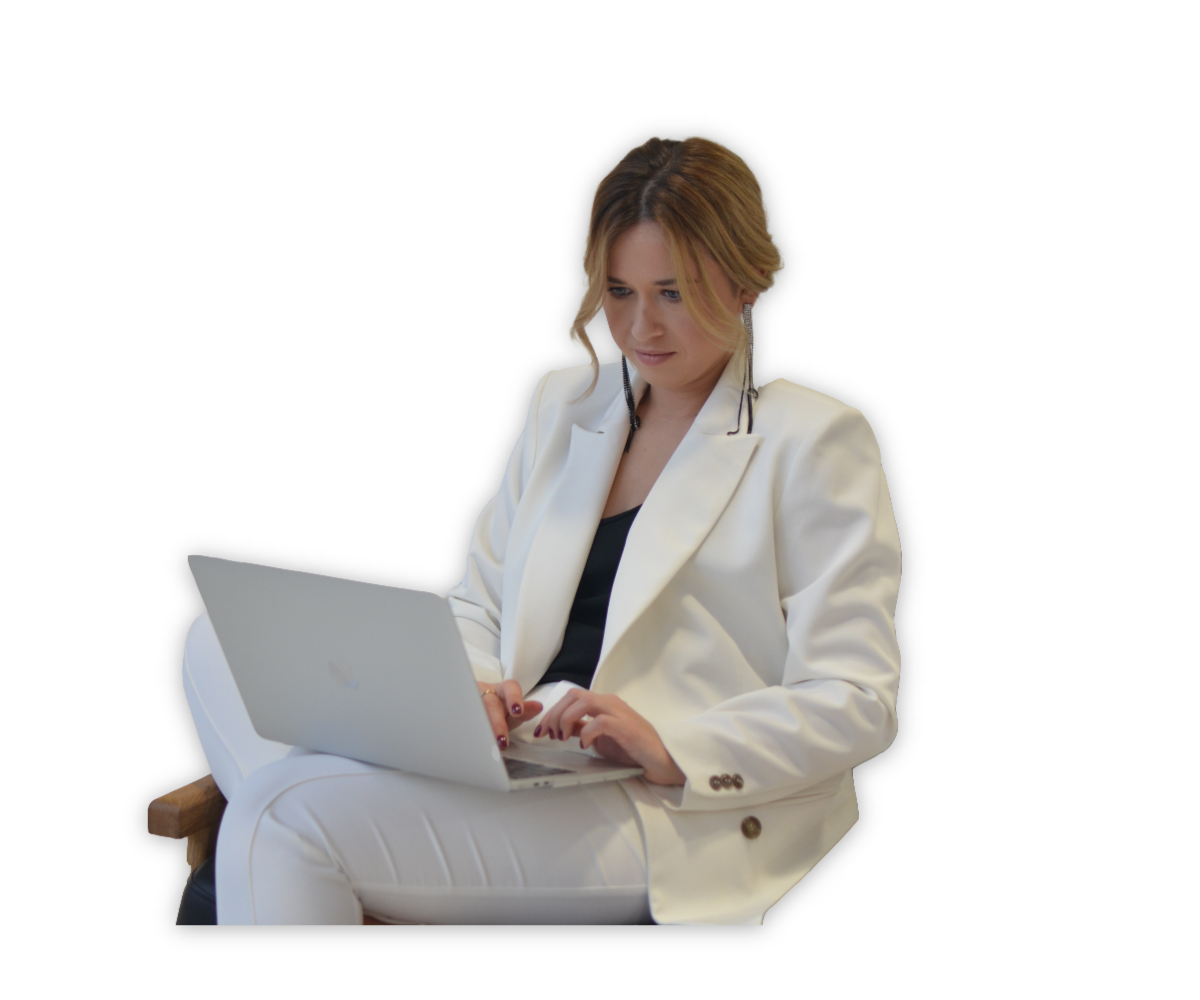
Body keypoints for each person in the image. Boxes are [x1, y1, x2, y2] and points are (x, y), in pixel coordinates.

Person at [182, 134, 902, 925]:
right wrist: (472, 688)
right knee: (214, 644)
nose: (641, 327)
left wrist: (669, 744)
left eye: (672, 292)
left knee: (277, 814)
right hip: (525, 752)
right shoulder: (566, 405)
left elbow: (855, 696)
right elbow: (479, 604)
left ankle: (296, 829)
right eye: (619, 291)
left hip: (659, 804)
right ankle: (320, 815)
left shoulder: (813, 438)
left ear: (745, 283)